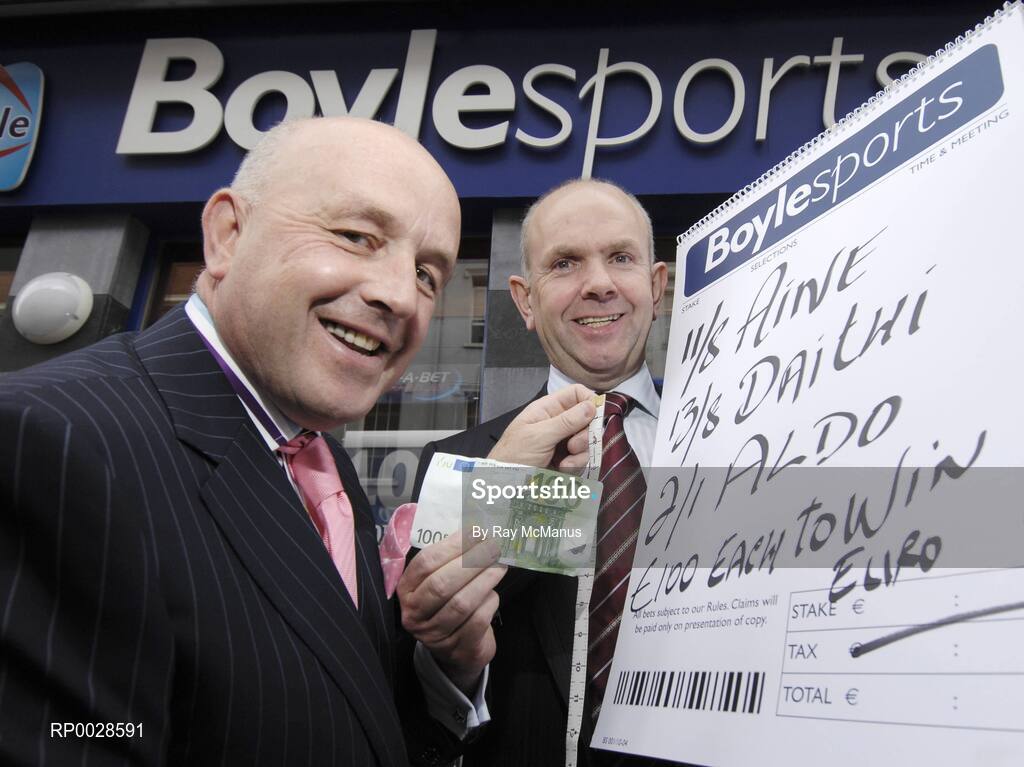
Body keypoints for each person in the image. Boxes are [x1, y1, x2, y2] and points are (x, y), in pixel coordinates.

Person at [0, 117, 593, 767]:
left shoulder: (319, 454)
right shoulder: (51, 440)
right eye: (356, 236)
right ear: (228, 233)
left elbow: (347, 701)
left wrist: (443, 659)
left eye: (428, 274)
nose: (399, 295)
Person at [412, 178, 682, 766]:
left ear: (657, 286)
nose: (599, 283)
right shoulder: (458, 466)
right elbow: (424, 679)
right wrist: (504, 497)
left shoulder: (732, 448)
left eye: (620, 257)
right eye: (564, 263)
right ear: (526, 301)